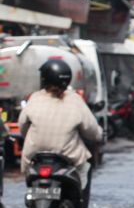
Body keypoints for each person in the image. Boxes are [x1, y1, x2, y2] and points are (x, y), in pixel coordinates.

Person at [19, 59, 102, 194]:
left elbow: (22, 125)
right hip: (67, 158)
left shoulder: (35, 98)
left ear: (44, 79)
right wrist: (99, 135)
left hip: (34, 158)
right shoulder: (74, 99)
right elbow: (91, 130)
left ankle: (30, 207)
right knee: (84, 168)